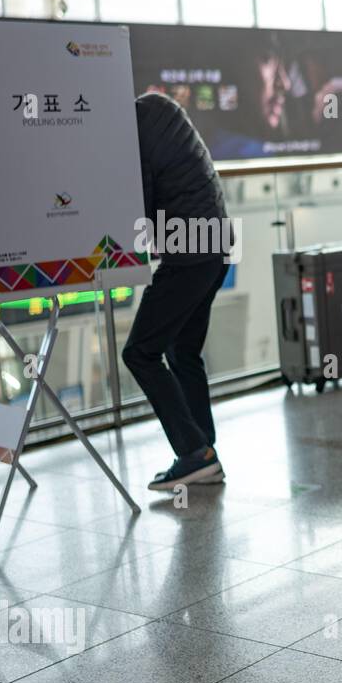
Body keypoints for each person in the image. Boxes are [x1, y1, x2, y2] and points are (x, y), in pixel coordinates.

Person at [124, 92, 231, 492]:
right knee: (182, 351)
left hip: (189, 253)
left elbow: (138, 205)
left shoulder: (130, 132)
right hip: (217, 245)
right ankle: (204, 452)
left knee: (139, 351)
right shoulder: (160, 107)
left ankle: (193, 452)